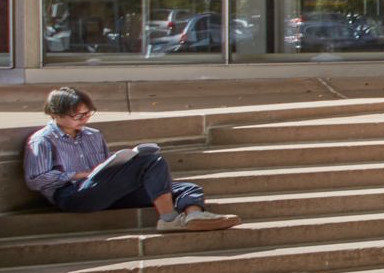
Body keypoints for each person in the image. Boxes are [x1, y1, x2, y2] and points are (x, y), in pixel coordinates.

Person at [21, 88, 236, 230]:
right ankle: (169, 219)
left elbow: (107, 167)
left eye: (87, 113)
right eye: (77, 115)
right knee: (152, 162)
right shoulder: (42, 140)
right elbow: (36, 179)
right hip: (73, 194)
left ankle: (194, 215)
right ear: (55, 114)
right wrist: (81, 175)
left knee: (185, 187)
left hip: (105, 189)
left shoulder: (93, 135)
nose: (84, 119)